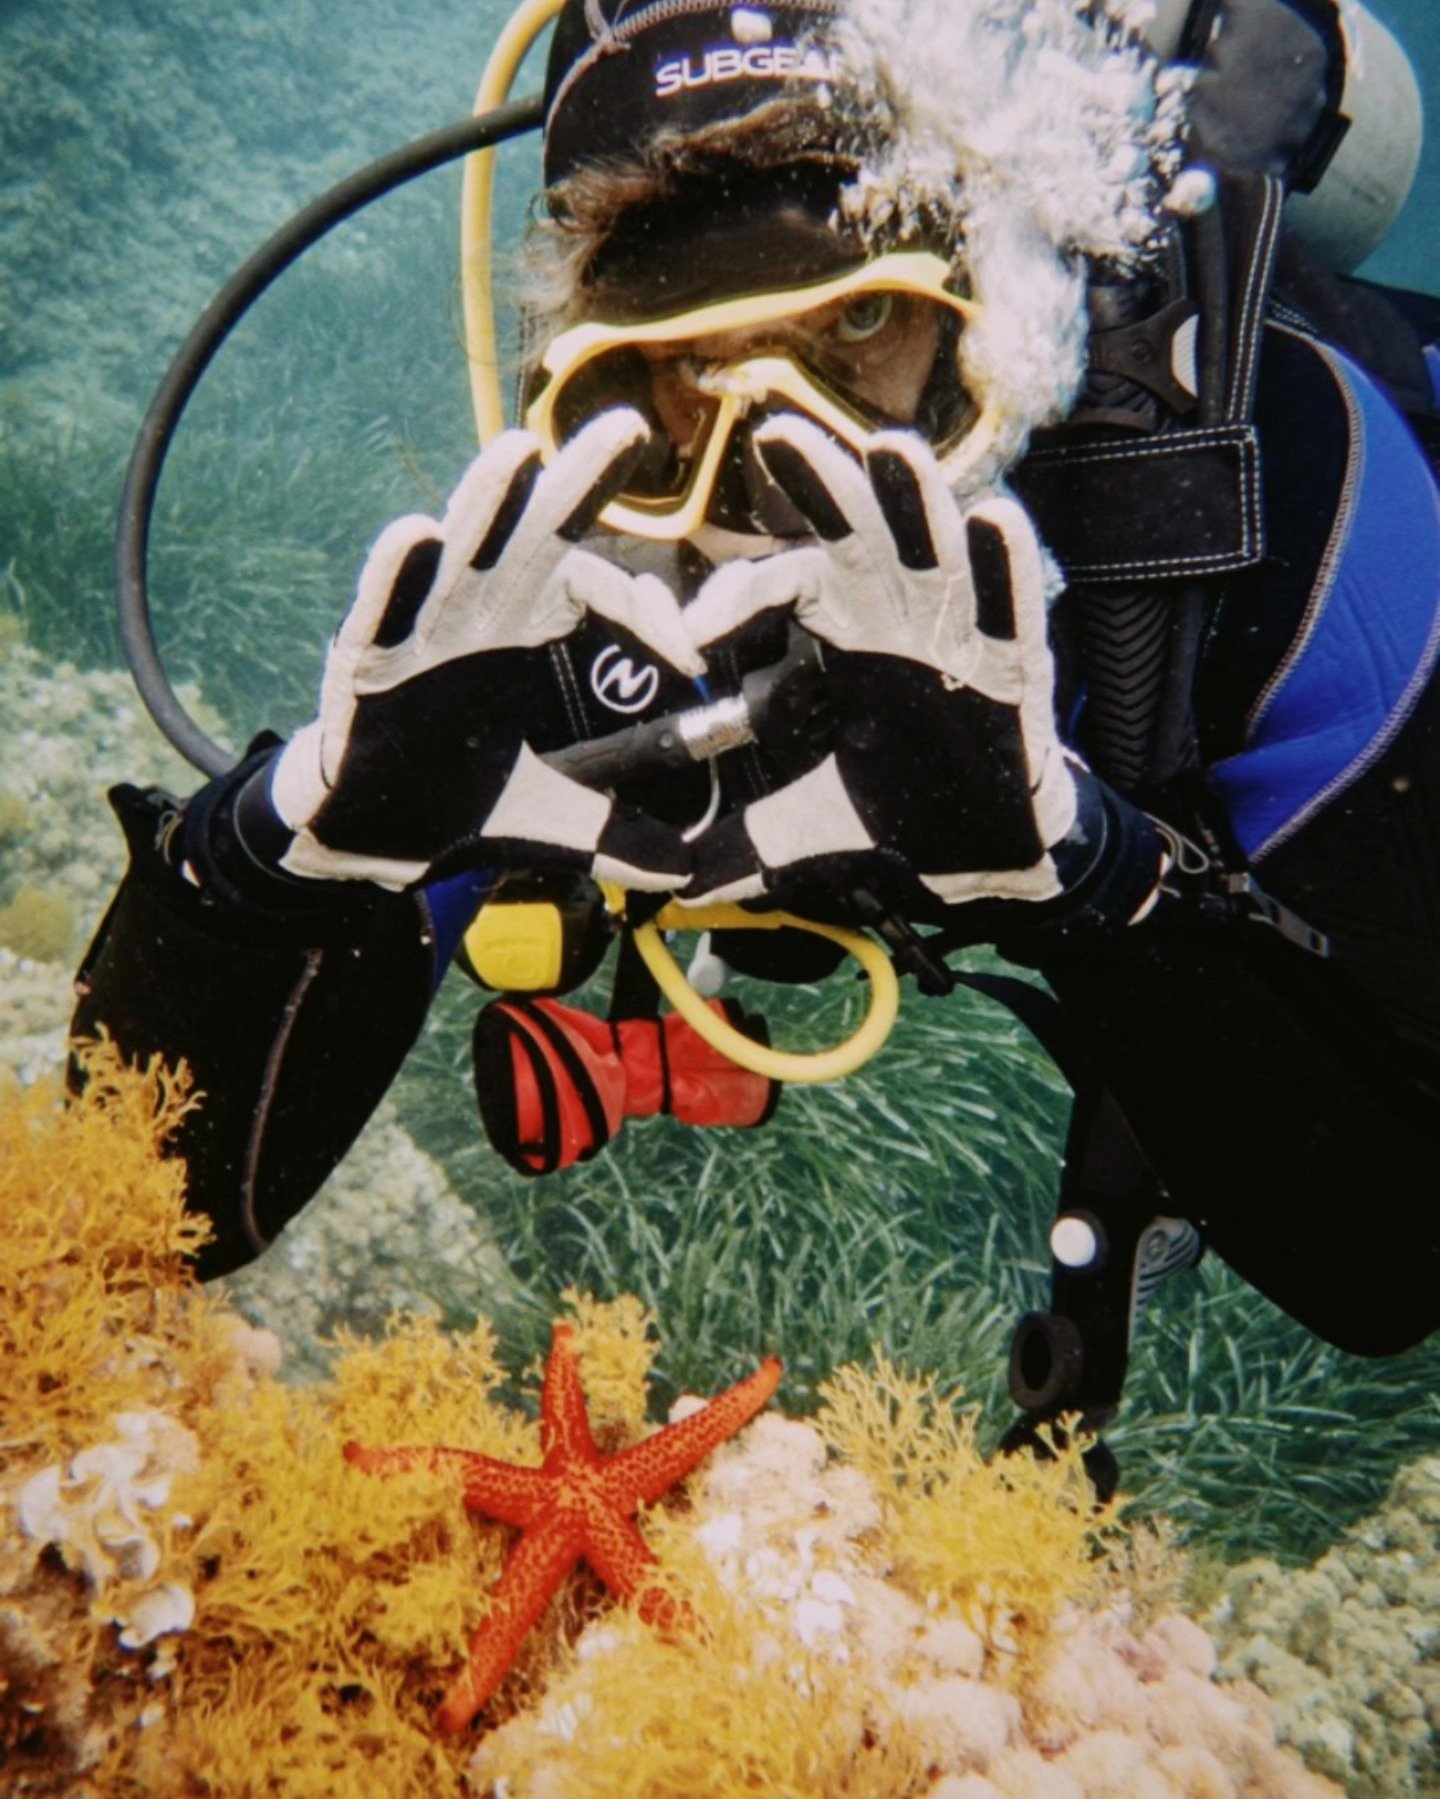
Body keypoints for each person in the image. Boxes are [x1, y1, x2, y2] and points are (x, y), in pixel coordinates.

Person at [74, 0, 1440, 1492]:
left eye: (854, 329)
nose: (764, 481)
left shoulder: (1274, 512)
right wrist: (290, 845)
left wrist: (1084, 877)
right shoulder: (557, 579)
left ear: (991, 322)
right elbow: (147, 1221)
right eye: (676, 362)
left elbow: (1392, 1268)